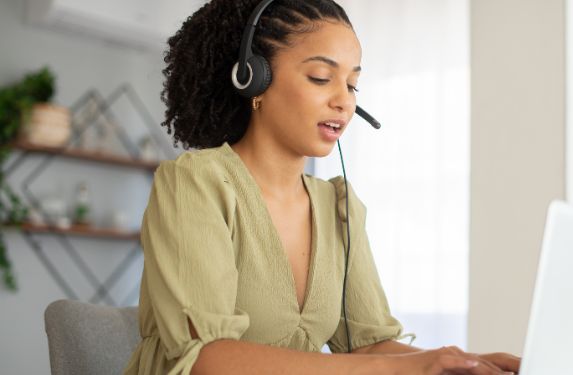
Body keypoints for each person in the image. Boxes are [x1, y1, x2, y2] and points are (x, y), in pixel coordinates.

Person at [123, 0, 521, 374]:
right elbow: (208, 359)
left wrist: (465, 363)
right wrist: (394, 369)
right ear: (253, 78)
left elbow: (367, 345)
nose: (344, 102)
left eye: (352, 85)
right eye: (321, 77)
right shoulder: (197, 183)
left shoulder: (338, 206)